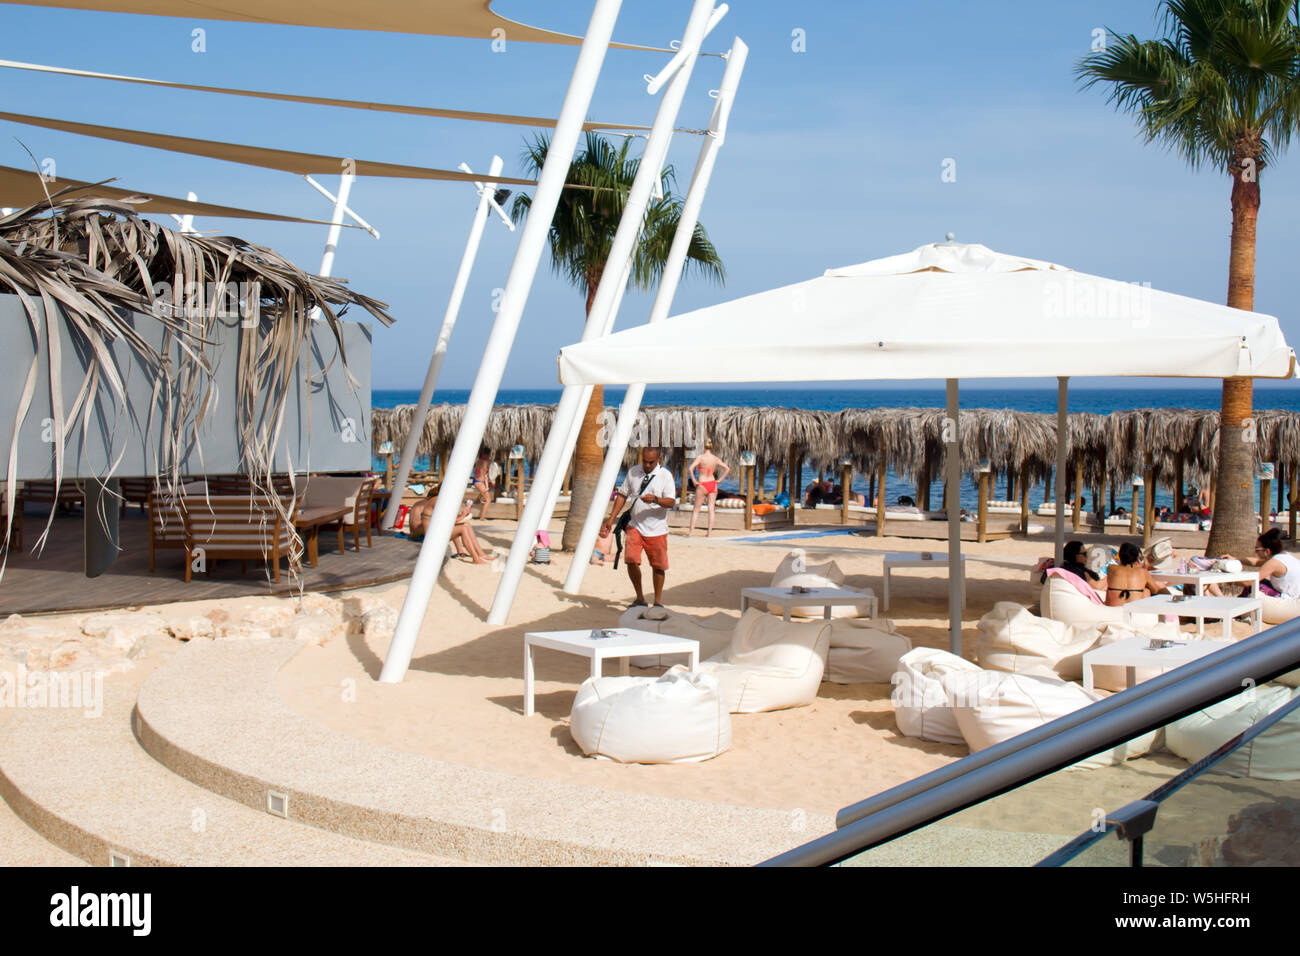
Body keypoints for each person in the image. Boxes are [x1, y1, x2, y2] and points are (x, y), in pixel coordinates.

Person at [600, 446, 676, 608]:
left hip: (657, 529)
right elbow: (622, 495)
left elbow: (671, 502)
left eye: (651, 462)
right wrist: (611, 518)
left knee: (658, 566)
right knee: (631, 560)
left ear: (658, 460)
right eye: (645, 462)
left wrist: (655, 499)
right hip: (635, 526)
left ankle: (657, 601)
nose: (647, 465)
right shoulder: (634, 472)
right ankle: (640, 597)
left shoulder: (665, 476)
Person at [408, 484, 491, 564]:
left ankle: (480, 554)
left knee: (466, 525)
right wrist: (463, 515)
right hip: (430, 538)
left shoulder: (436, 500)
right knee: (463, 528)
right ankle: (475, 558)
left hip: (431, 534)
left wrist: (462, 516)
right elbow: (448, 522)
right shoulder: (438, 501)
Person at [1237, 528, 1300, 599]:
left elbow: (1249, 582)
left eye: (1257, 549)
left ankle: (1239, 605)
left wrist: (1228, 581)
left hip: (1290, 599)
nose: (1255, 552)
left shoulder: (1274, 563)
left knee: (1253, 585)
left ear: (1267, 551)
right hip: (1294, 596)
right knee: (1258, 582)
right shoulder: (1284, 556)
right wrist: (1235, 560)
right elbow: (1256, 562)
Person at [1105, 541, 1169, 606]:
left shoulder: (1111, 568)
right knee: (1146, 590)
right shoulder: (1143, 572)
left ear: (1121, 556)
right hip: (1134, 610)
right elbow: (1155, 590)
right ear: (1136, 558)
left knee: (1109, 589)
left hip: (1114, 608)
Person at [688, 440, 730, 537]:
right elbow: (727, 469)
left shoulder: (700, 458)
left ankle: (691, 533)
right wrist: (720, 480)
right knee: (711, 509)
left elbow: (691, 469)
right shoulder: (715, 459)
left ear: (704, 447)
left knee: (696, 510)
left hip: (702, 484)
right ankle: (709, 533)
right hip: (712, 483)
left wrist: (694, 481)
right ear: (711, 448)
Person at [471, 449, 494, 515]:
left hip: (475, 480)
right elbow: (491, 472)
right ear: (489, 454)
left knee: (482, 493)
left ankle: (478, 502)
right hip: (480, 482)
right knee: (488, 500)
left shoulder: (478, 461)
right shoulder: (488, 462)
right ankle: (482, 516)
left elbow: (474, 472)